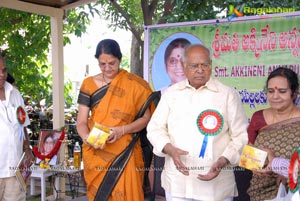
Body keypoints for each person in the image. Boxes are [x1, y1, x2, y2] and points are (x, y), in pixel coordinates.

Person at [147, 44, 248, 201]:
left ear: (211, 66)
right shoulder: (171, 94)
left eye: (205, 65)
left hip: (216, 185)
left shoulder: (227, 94)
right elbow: (154, 128)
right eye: (194, 66)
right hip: (178, 184)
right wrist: (169, 149)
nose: (200, 70)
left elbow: (240, 136)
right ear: (184, 66)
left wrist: (224, 159)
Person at [76, 39, 155, 201]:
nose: (107, 68)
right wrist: (87, 138)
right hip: (97, 150)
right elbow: (81, 122)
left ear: (119, 59)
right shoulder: (89, 84)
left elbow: (146, 118)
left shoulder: (134, 84)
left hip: (126, 150)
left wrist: (121, 130)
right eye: (102, 64)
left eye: (112, 63)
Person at [246, 67, 300, 201]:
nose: (275, 96)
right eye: (270, 91)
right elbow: (249, 153)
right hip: (261, 189)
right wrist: (255, 167)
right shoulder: (258, 117)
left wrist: (283, 169)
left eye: (282, 91)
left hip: (294, 191)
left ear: (294, 93)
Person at [0, 54, 34, 200]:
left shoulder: (15, 93)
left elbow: (23, 124)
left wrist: (28, 149)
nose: (2, 74)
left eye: (4, 70)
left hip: (15, 169)